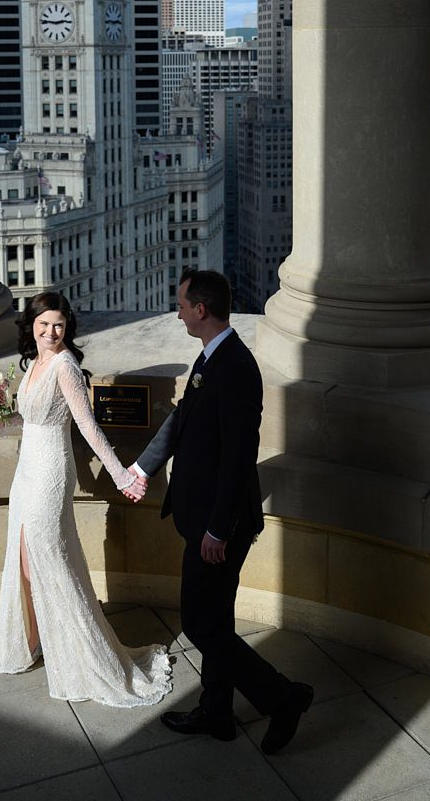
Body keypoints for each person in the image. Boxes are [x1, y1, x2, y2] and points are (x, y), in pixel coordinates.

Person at [128, 268, 313, 753]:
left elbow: (237, 458)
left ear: (201, 310)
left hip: (219, 528)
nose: (179, 311)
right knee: (217, 622)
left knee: (200, 624)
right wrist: (144, 467)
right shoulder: (213, 357)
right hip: (204, 522)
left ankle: (282, 697)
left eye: (183, 304)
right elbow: (184, 421)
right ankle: (217, 711)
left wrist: (216, 529)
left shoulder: (235, 368)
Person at [0, 291, 172, 707]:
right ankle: (38, 640)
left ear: (67, 327)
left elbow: (88, 428)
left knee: (49, 558)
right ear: (31, 327)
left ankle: (82, 657)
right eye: (43, 324)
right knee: (23, 556)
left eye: (58, 324)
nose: (51, 332)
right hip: (26, 470)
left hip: (52, 470)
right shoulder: (34, 363)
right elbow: (31, 417)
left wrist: (121, 474)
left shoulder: (65, 366)